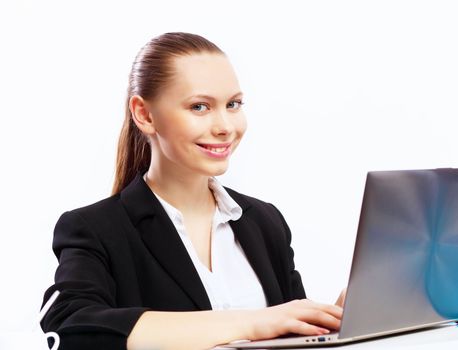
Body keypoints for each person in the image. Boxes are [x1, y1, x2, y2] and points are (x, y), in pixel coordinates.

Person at [40, 32, 343, 350]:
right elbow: (72, 329)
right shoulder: (95, 229)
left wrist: (340, 318)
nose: (225, 126)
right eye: (200, 107)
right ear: (144, 114)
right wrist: (252, 322)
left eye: (233, 104)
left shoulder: (265, 222)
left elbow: (292, 333)